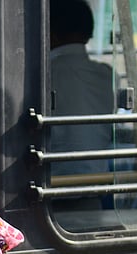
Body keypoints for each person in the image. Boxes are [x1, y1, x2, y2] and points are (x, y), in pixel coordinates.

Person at [48, 0, 115, 178]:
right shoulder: (107, 75)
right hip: (97, 185)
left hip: (49, 188)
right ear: (88, 33)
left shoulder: (43, 75)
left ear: (49, 33)